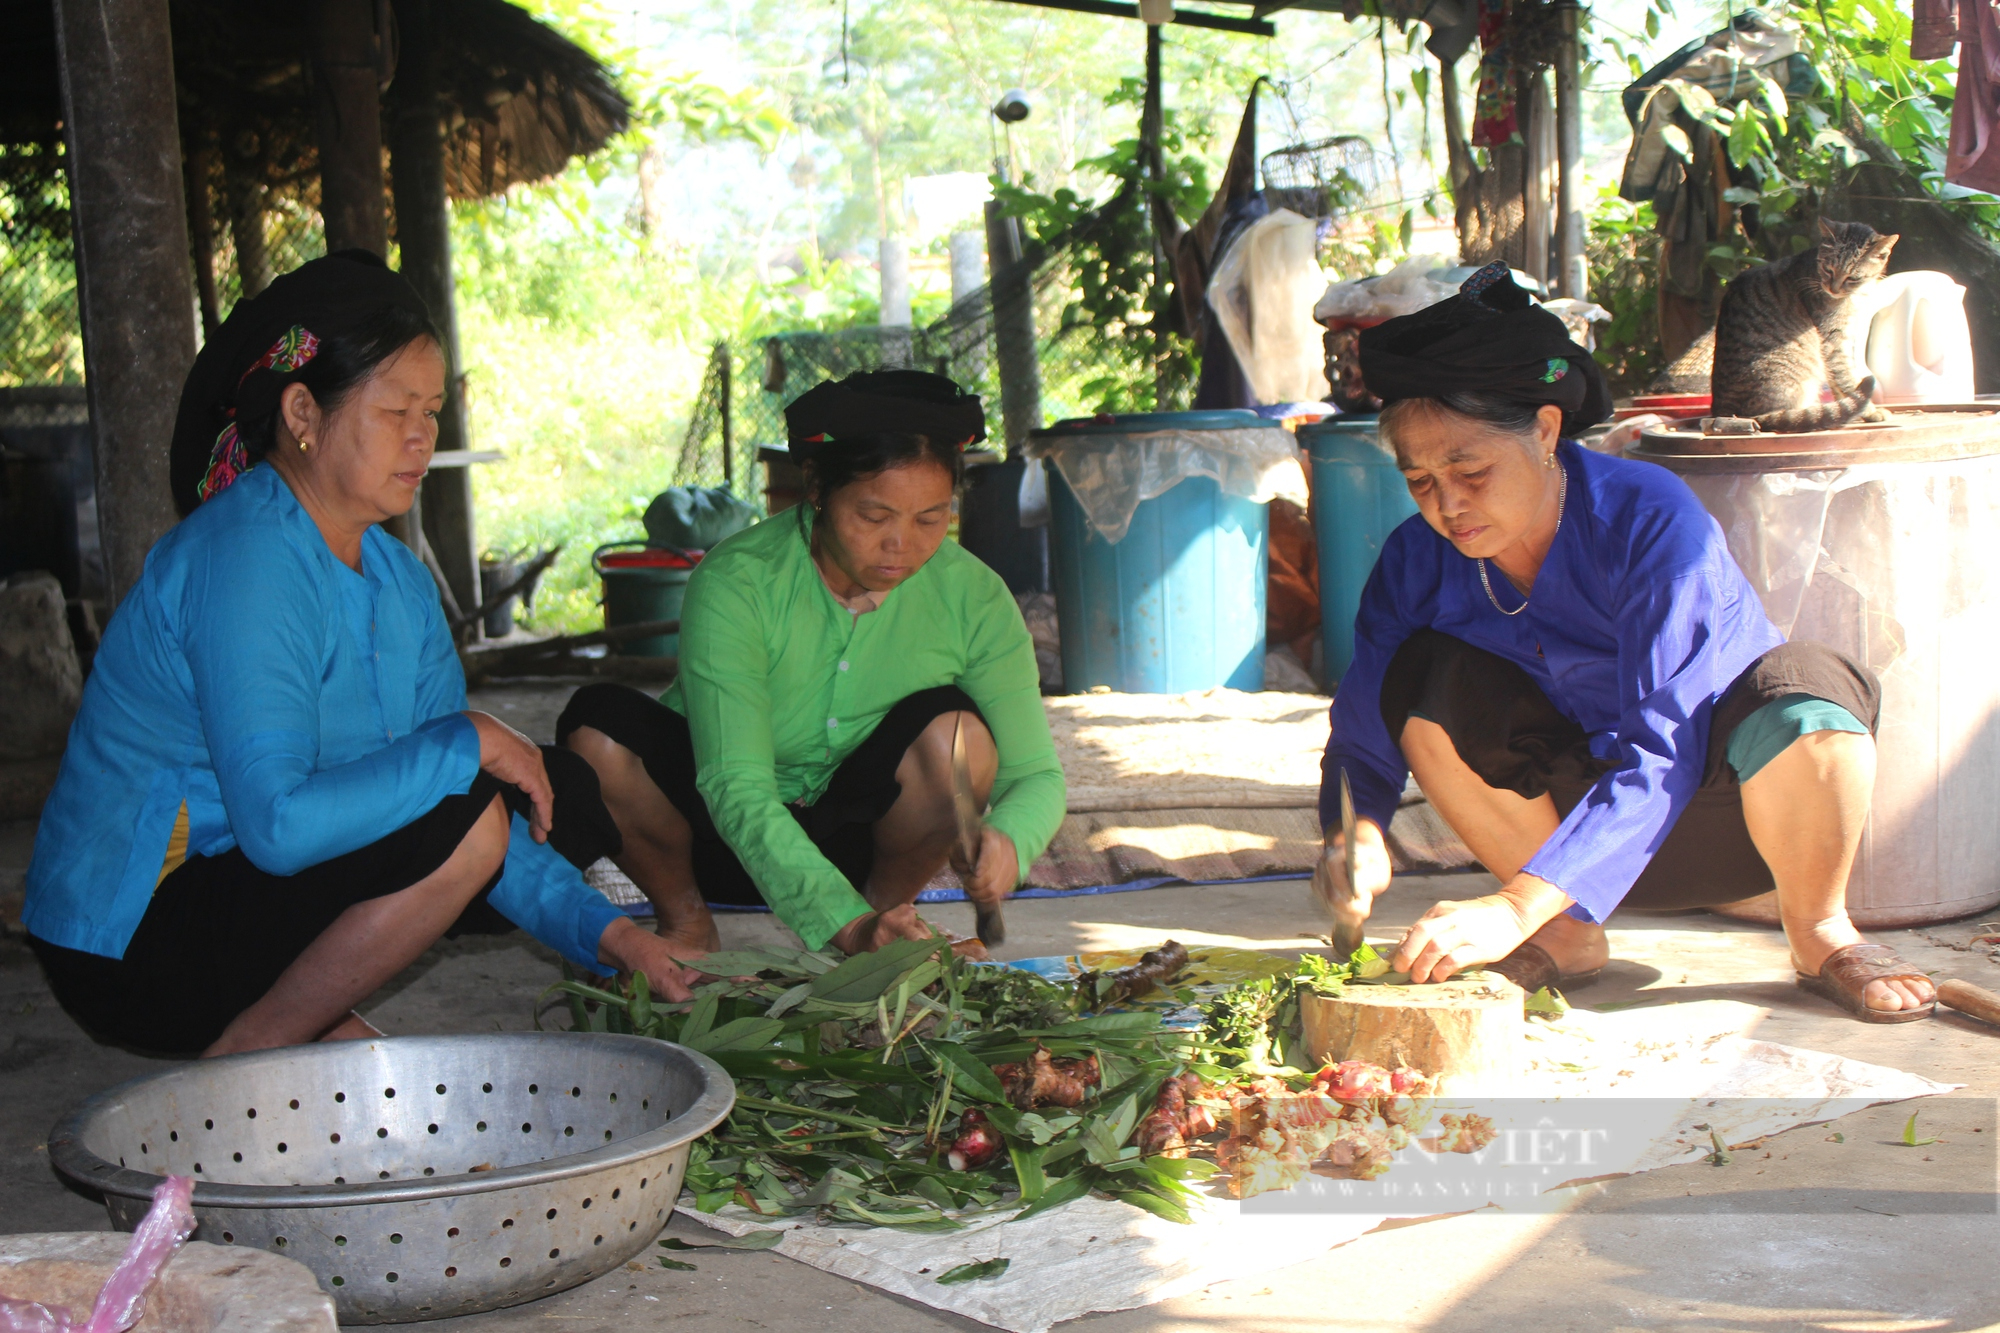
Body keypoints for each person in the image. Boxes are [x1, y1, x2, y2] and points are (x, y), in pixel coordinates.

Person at [22, 251, 689, 1058]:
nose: (421, 438)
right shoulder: (247, 555)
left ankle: (282, 1024)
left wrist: (614, 936)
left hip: (236, 900)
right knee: (466, 798)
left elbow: (462, 800)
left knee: (527, 795)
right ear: (303, 413)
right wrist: (467, 738)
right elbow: (278, 826)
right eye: (394, 410)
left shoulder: (398, 583)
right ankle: (237, 1059)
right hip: (127, 937)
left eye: (433, 412)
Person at [1317, 263, 1935, 1024]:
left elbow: (1663, 751)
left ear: (1545, 432)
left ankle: (1819, 932)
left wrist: (1511, 908)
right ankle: (1568, 934)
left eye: (1469, 470)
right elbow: (1363, 733)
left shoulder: (1647, 519)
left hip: (1727, 817)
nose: (1446, 504)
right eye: (1419, 482)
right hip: (1562, 834)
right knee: (1417, 676)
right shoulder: (1416, 561)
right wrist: (1359, 834)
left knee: (1806, 693)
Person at [557, 370, 1064, 961]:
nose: (902, 545)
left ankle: (885, 925)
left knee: (959, 736)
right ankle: (689, 924)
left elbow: (1037, 776)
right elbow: (735, 785)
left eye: (930, 518)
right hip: (714, 833)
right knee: (598, 730)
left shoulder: (974, 596)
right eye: (874, 518)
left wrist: (1009, 841)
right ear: (818, 488)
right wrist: (838, 921)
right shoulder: (738, 580)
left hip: (858, 839)